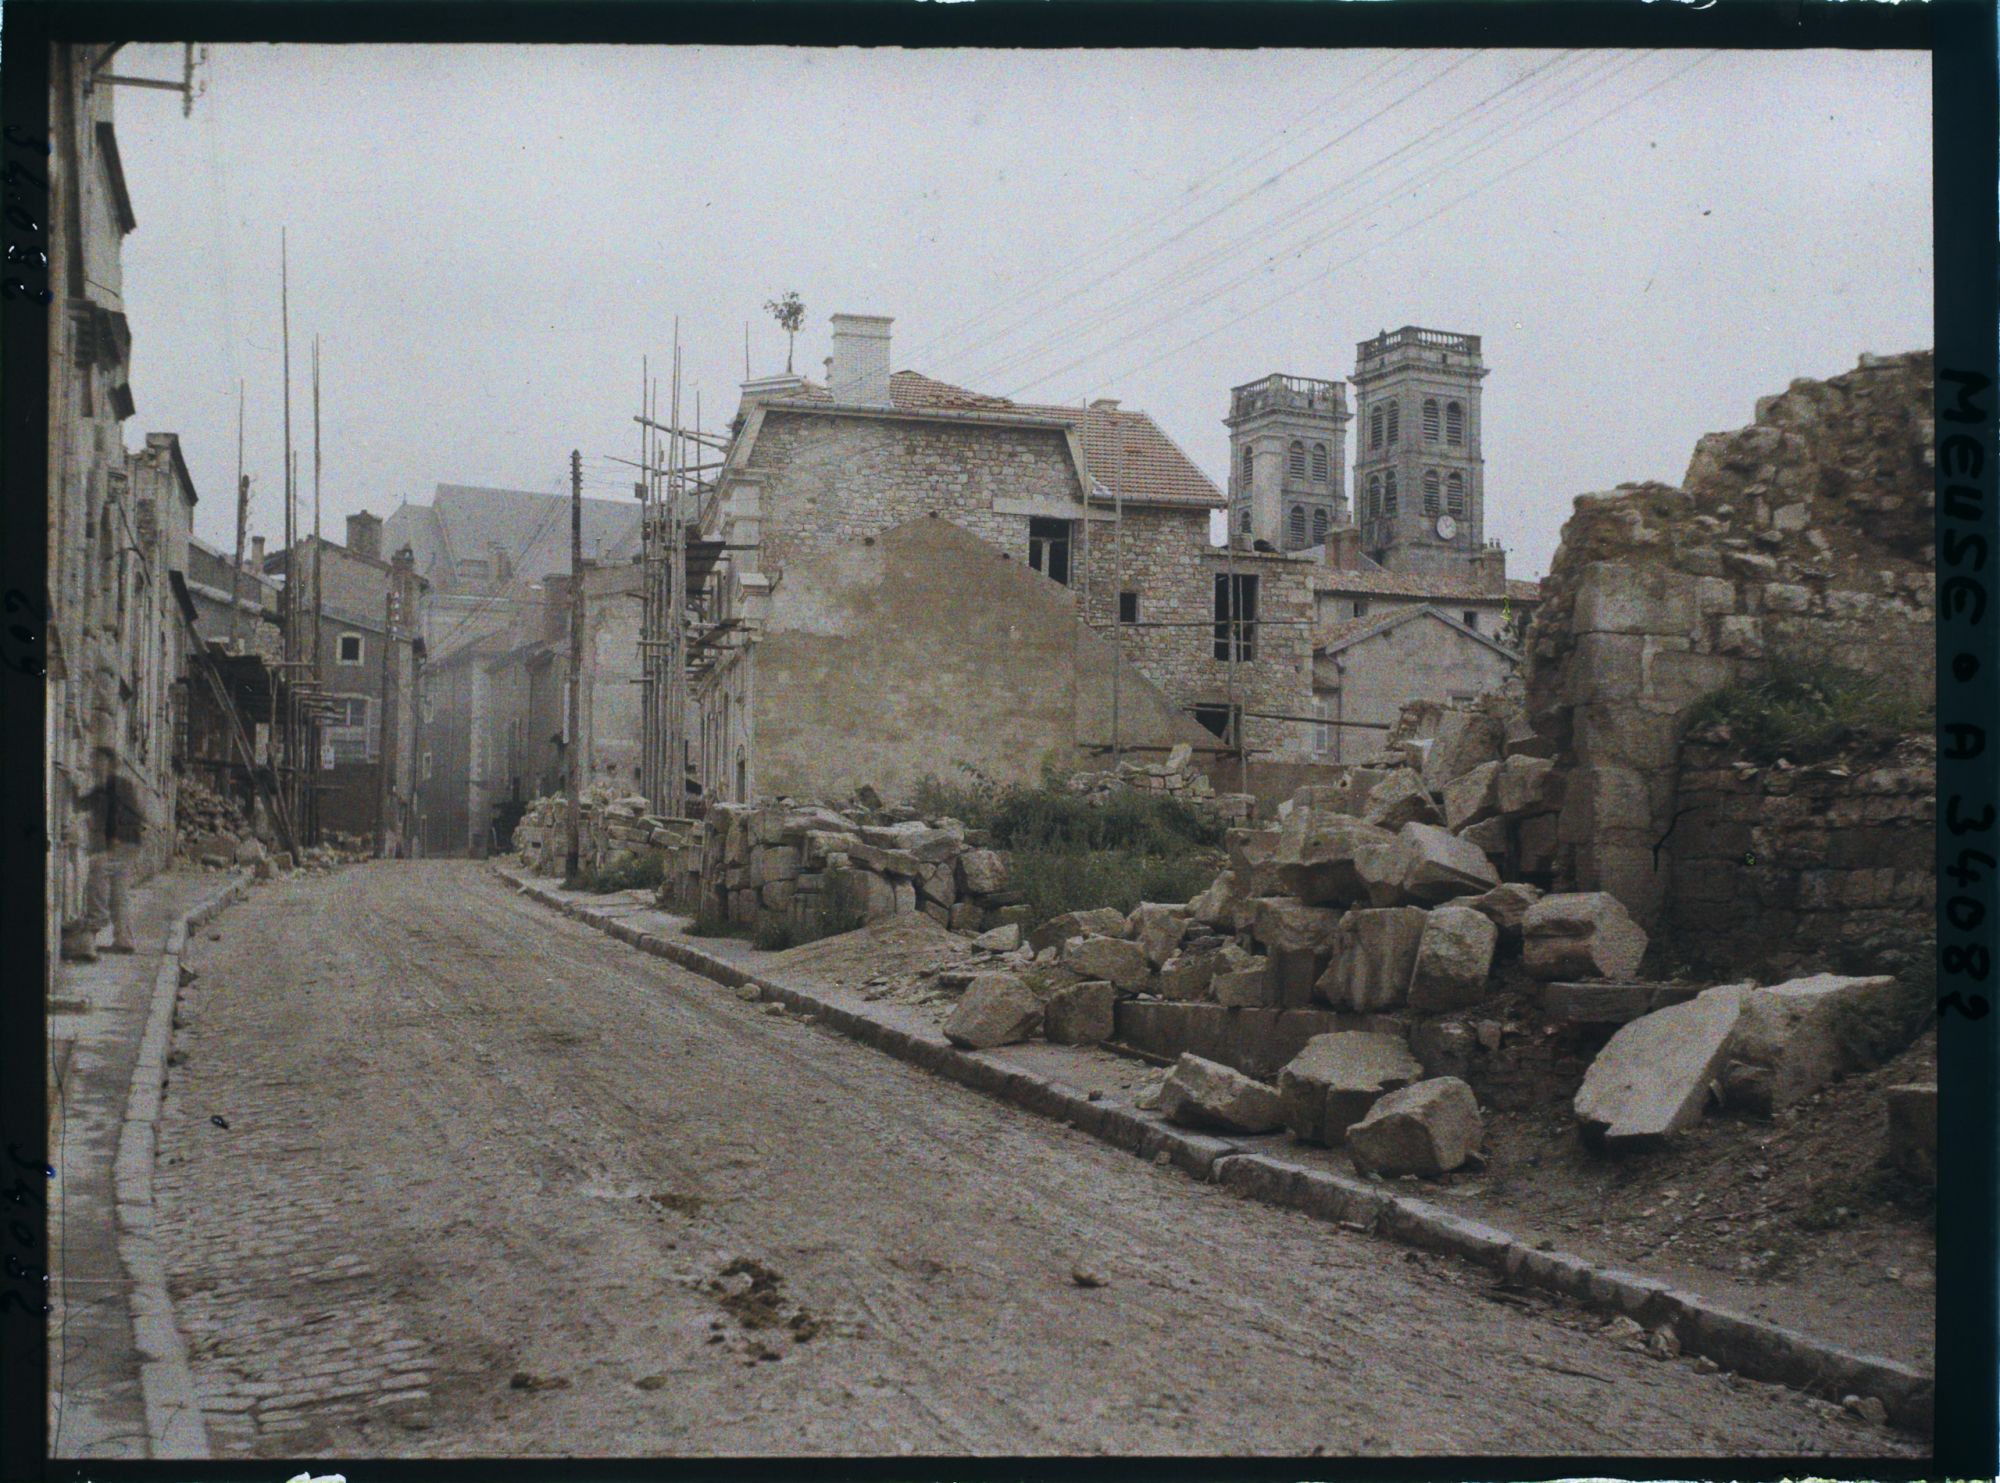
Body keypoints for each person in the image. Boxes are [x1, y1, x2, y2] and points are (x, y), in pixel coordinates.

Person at [67, 761, 144, 959]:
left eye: (98, 762)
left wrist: (116, 837)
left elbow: (134, 815)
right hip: (123, 844)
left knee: (97, 882)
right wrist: (74, 786)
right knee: (119, 892)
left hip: (120, 844)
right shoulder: (102, 789)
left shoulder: (117, 786)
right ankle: (124, 940)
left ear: (109, 765)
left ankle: (89, 941)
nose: (94, 767)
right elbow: (81, 804)